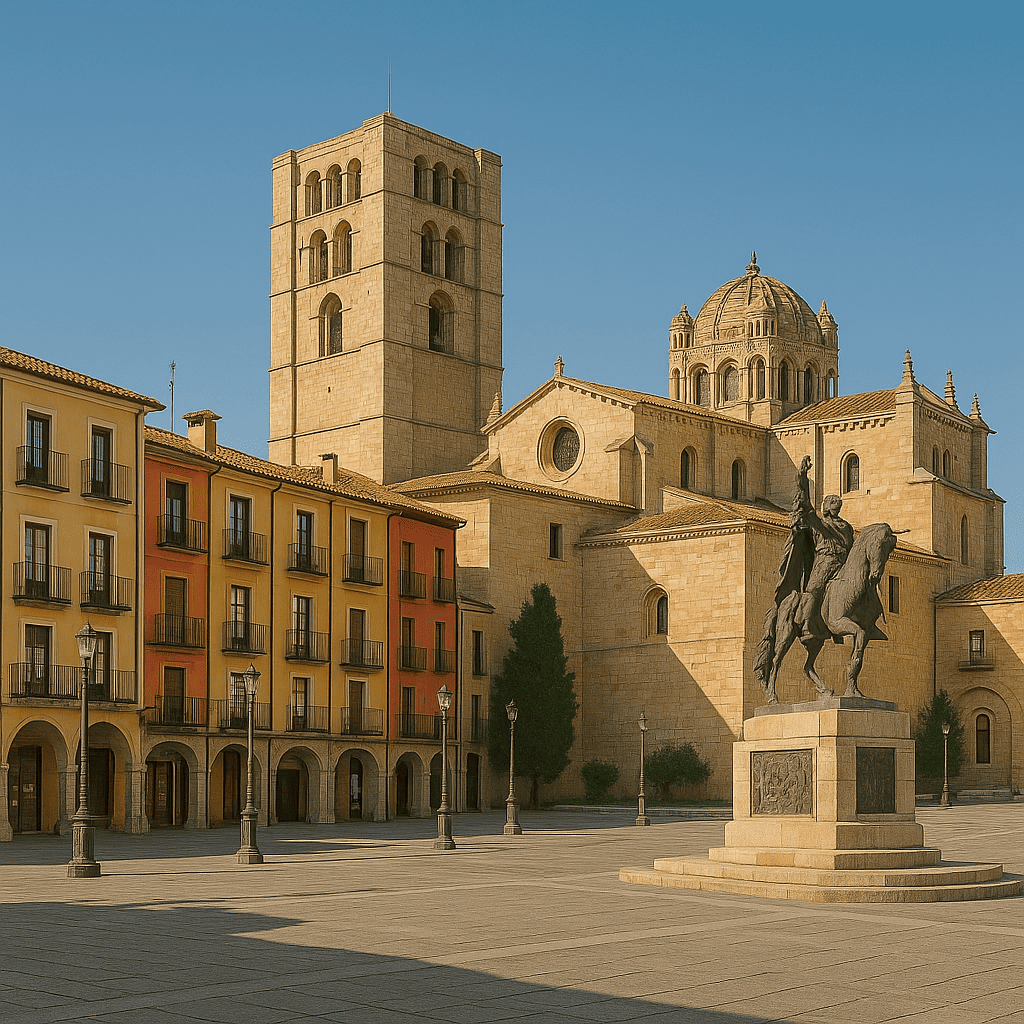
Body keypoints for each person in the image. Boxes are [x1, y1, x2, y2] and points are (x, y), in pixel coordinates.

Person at [779, 455, 854, 641]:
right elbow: (806, 505)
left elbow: (851, 547)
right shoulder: (819, 524)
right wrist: (803, 476)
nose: (836, 505)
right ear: (827, 507)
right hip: (823, 563)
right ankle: (806, 623)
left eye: (838, 504)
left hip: (843, 563)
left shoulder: (846, 526)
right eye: (833, 504)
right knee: (813, 589)